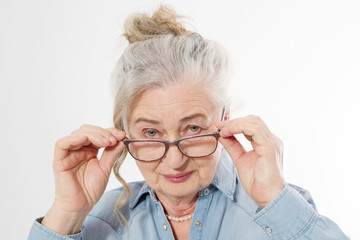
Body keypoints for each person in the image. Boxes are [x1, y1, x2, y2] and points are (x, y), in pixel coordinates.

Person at [28, 5, 349, 240]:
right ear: (122, 134)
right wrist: (67, 212)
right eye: (151, 132)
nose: (175, 159)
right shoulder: (102, 223)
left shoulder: (279, 211)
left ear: (224, 120)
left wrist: (274, 199)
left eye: (193, 129)